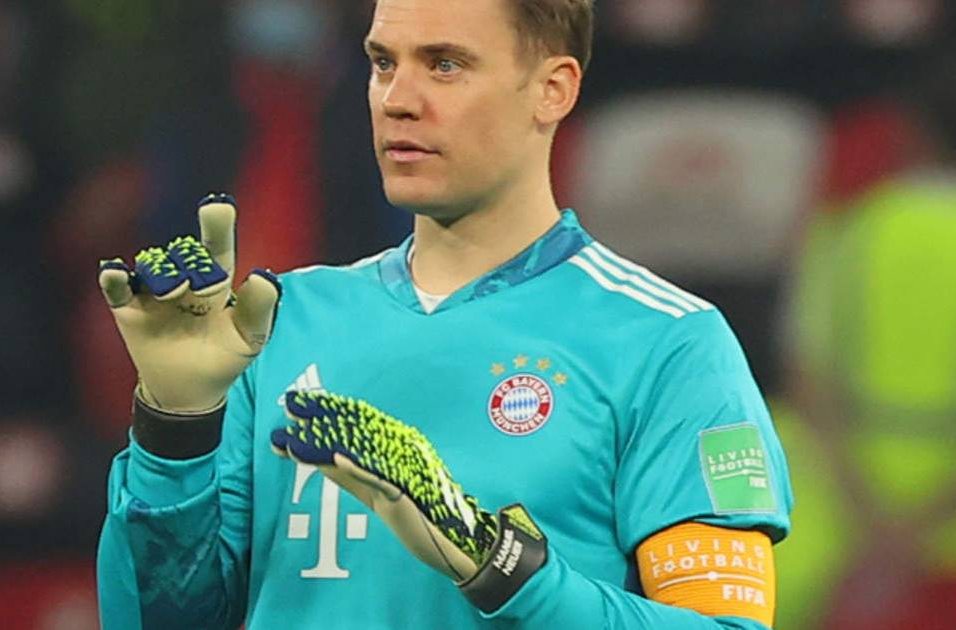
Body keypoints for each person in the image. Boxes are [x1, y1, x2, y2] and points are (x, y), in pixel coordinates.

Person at [95, 1, 792, 628]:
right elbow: (156, 619)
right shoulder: (275, 322)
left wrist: (502, 567)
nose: (398, 100)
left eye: (445, 65)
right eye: (382, 63)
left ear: (553, 89)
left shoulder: (665, 343)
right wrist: (173, 431)